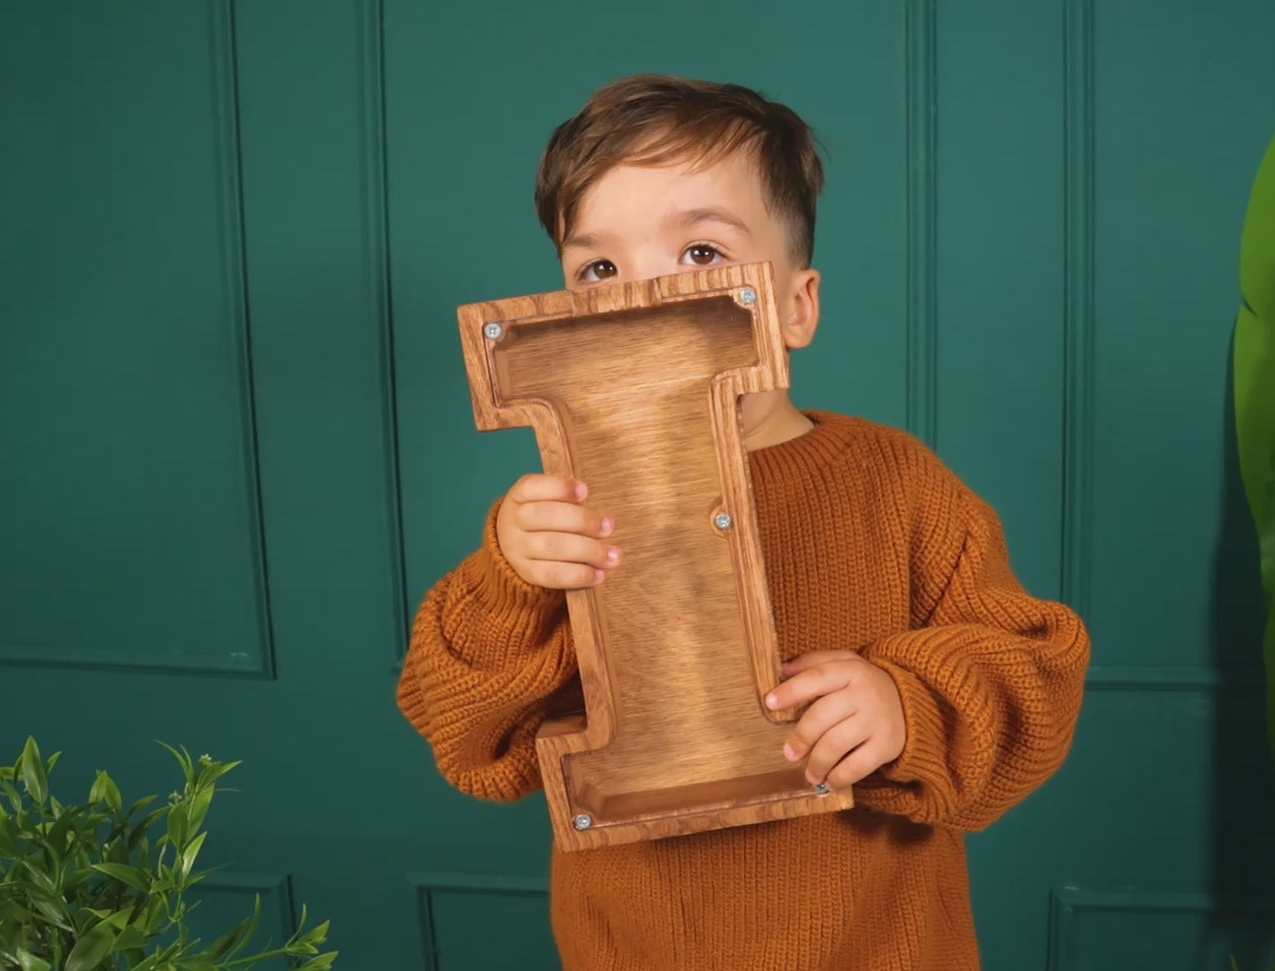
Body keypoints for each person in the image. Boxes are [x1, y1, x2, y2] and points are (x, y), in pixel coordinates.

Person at [395, 73, 1091, 971]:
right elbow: (464, 736)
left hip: (880, 946)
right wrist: (511, 579)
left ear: (796, 306)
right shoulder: (565, 518)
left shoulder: (900, 487)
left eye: (700, 253)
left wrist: (905, 706)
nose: (646, 302)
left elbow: (1036, 679)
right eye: (599, 270)